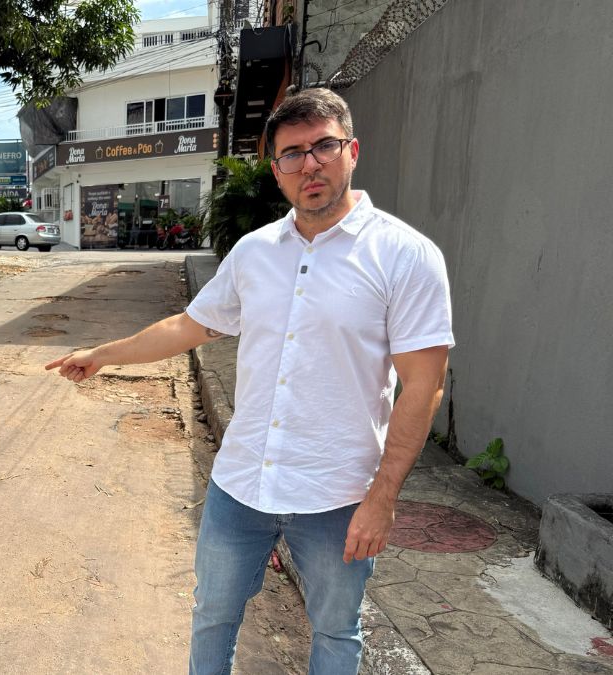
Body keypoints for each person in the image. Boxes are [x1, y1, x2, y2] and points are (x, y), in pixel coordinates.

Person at [45, 88, 452, 674]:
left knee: (336, 632)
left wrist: (383, 497)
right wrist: (104, 354)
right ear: (277, 171)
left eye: (324, 147)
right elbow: (190, 325)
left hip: (338, 495)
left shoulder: (406, 256)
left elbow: (424, 384)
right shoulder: (254, 252)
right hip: (241, 486)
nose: (309, 164)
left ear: (352, 151)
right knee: (213, 613)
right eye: (292, 153)